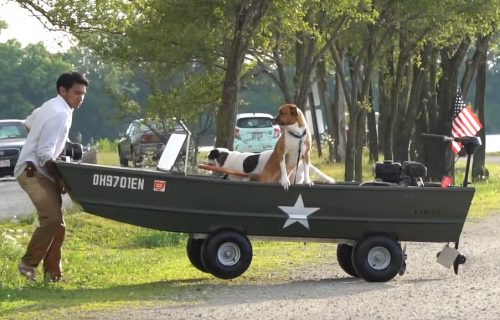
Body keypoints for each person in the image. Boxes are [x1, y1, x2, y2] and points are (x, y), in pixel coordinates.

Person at [14, 71, 89, 282]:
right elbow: (44, 154)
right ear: (62, 90)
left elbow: (29, 123)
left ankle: (53, 275)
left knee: (59, 225)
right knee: (52, 220)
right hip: (32, 172)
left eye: (83, 94)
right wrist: (60, 178)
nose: (80, 98)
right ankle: (28, 264)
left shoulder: (54, 107)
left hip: (39, 170)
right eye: (76, 93)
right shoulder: (58, 113)